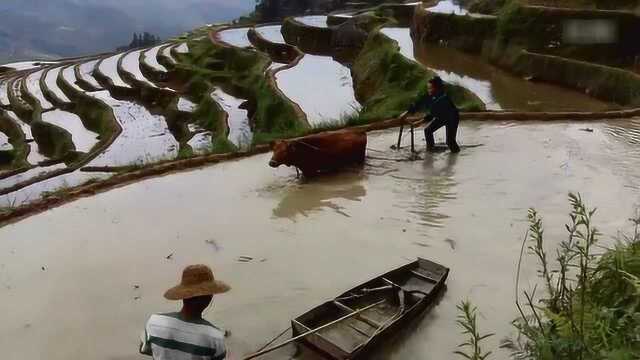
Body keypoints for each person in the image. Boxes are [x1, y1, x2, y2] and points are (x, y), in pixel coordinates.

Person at [140, 264, 231, 360]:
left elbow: (144, 350)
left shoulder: (154, 322)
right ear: (209, 297)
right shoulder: (215, 337)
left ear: (183, 296)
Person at [406, 76, 460, 153]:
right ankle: (430, 150)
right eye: (428, 88)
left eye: (430, 88)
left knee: (450, 141)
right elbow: (419, 103)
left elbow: (433, 114)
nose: (429, 90)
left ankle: (456, 154)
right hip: (441, 117)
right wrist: (408, 112)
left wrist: (420, 122)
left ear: (437, 88)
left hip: (452, 118)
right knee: (428, 130)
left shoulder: (442, 98)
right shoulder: (431, 95)